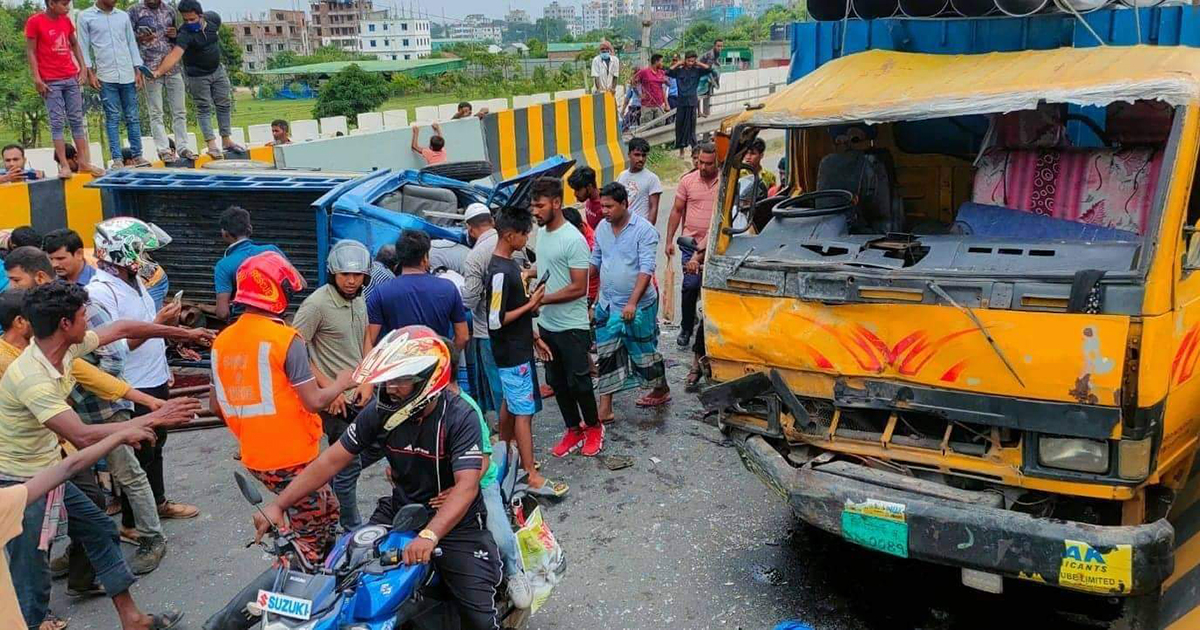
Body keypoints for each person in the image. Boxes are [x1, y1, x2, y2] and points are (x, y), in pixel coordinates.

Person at [246, 326, 501, 629]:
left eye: (400, 380)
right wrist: (280, 503)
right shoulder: (381, 411)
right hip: (399, 511)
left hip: (456, 524)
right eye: (388, 379)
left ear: (429, 379)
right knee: (341, 580)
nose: (390, 387)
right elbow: (331, 460)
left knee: (479, 618)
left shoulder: (460, 416)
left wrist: (430, 535)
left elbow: (467, 486)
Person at [0, 280, 207, 630]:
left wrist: (181, 333)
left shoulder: (61, 350)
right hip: (22, 484)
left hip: (51, 470)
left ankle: (134, 620)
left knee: (99, 529)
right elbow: (80, 436)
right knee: (31, 573)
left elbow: (123, 328)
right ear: (65, 324)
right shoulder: (32, 377)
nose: (89, 323)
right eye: (83, 316)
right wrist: (149, 419)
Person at [211, 251, 350, 564]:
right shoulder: (285, 339)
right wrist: (342, 382)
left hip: (256, 455)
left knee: (329, 510)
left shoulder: (222, 340)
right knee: (309, 537)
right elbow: (314, 401)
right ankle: (291, 594)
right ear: (277, 292)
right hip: (293, 456)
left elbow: (216, 405)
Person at [88, 218, 202, 526]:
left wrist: (167, 340)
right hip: (130, 386)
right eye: (141, 252)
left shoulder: (133, 281)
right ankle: (132, 523)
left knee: (156, 446)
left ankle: (159, 502)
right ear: (122, 252)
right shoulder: (100, 292)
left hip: (153, 377)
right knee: (137, 455)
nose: (147, 259)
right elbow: (115, 346)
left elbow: (144, 329)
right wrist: (158, 324)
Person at [0, 420, 157, 630]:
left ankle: (132, 619)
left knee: (98, 527)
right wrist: (124, 432)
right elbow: (78, 442)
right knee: (31, 560)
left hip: (43, 471)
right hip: (20, 477)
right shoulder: (31, 386)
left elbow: (66, 468)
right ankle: (34, 622)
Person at [292, 240, 372, 531]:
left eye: (357, 275)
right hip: (333, 400)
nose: (351, 281)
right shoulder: (316, 305)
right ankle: (351, 527)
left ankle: (323, 480)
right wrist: (327, 389)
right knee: (348, 466)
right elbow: (293, 350)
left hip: (358, 394)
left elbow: (365, 339)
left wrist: (368, 379)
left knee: (370, 448)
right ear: (332, 274)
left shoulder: (360, 299)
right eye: (344, 275)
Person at [530, 177, 604, 460]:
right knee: (557, 381)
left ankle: (594, 427)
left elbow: (577, 287)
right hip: (548, 324)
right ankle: (573, 428)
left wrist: (541, 299)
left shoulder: (573, 239)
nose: (535, 211)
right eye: (533, 205)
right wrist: (529, 272)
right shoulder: (544, 234)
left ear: (557, 203)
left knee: (579, 383)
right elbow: (548, 266)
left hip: (572, 326)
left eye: (540, 205)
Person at [488, 207, 562, 490]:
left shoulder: (508, 267)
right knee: (524, 411)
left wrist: (532, 336)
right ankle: (530, 472)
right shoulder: (500, 272)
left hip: (517, 347)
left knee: (511, 402)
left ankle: (506, 451)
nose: (527, 238)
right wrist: (531, 305)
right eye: (523, 233)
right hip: (511, 353)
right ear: (509, 235)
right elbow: (496, 320)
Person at [591, 182, 670, 417]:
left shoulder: (644, 231)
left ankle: (661, 388)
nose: (604, 211)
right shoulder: (601, 229)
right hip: (607, 304)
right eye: (602, 206)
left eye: (609, 206)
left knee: (643, 354)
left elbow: (646, 269)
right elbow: (595, 262)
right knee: (606, 354)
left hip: (638, 306)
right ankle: (605, 408)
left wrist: (632, 303)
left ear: (624, 204)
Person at [149, 0, 246, 160]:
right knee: (204, 108)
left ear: (201, 15)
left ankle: (226, 140)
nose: (189, 23)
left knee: (223, 104)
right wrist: (158, 71)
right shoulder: (185, 34)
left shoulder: (214, 19)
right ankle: (212, 144)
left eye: (192, 19)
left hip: (217, 70)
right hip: (197, 76)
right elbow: (174, 55)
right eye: (185, 20)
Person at [25, 0, 102, 179]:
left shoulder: (65, 20)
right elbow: (31, 51)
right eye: (64, 4)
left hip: (70, 76)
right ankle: (65, 165)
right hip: (51, 80)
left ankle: (83, 161)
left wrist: (82, 67)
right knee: (57, 122)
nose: (67, 7)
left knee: (76, 119)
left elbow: (74, 44)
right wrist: (37, 78)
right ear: (51, 3)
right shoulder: (35, 22)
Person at [364, 230, 468, 357]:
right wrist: (447, 359)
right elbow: (463, 336)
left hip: (398, 367)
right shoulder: (448, 288)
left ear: (400, 257)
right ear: (425, 258)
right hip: (436, 364)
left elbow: (369, 340)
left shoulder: (381, 292)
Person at [78, 0, 148, 169]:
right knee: (113, 117)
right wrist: (89, 72)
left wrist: (137, 69)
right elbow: (82, 46)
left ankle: (138, 155)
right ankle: (117, 158)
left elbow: (131, 43)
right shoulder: (85, 16)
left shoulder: (123, 16)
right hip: (105, 74)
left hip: (127, 73)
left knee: (132, 116)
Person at [665, 142, 719, 350]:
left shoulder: (725, 182)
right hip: (690, 243)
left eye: (709, 164)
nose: (703, 167)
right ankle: (686, 327)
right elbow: (676, 211)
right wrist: (669, 240)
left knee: (711, 288)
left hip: (716, 244)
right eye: (701, 163)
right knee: (690, 286)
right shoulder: (687, 181)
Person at [129, 0, 192, 162]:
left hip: (173, 67)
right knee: (156, 112)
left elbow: (179, 39)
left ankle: (183, 146)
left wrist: (174, 34)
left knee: (179, 110)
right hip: (149, 68)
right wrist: (141, 37)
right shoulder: (134, 11)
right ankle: (163, 149)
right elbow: (128, 39)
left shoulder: (170, 10)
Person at [459, 203, 505, 416]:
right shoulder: (510, 242)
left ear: (470, 228)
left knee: (496, 382)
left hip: (487, 330)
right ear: (492, 221)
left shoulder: (475, 256)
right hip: (516, 325)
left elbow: (470, 300)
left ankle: (506, 431)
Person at [211, 206, 284, 320]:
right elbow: (301, 284)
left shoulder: (223, 265)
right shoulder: (272, 250)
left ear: (225, 233)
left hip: (244, 324)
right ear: (250, 228)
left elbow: (222, 313)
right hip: (277, 320)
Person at [667, 51, 715, 157]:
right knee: (680, 127)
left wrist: (698, 63)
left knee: (691, 127)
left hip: (692, 103)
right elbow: (668, 72)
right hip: (681, 103)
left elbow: (709, 69)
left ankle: (694, 150)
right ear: (685, 60)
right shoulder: (679, 71)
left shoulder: (697, 71)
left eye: (692, 61)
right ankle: (681, 151)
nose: (690, 63)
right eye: (688, 61)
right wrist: (678, 63)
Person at [616, 137, 664, 224]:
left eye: (644, 155)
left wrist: (648, 231)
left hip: (640, 229)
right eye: (637, 155)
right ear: (629, 154)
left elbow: (653, 208)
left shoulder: (652, 179)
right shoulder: (621, 176)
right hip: (623, 228)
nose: (641, 159)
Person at [634, 54, 669, 127]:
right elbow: (633, 82)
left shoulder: (661, 73)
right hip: (647, 105)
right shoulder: (644, 72)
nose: (662, 64)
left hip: (659, 104)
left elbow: (664, 88)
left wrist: (666, 104)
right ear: (656, 62)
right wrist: (639, 95)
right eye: (661, 62)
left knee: (661, 125)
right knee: (646, 126)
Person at [567, 165, 604, 231]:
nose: (575, 194)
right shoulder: (589, 200)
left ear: (589, 187)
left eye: (578, 190)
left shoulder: (604, 207)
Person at [698, 39, 723, 117]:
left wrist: (718, 64)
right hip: (700, 70)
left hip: (706, 69)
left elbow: (714, 61)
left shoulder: (718, 53)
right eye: (718, 46)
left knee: (716, 73)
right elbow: (708, 68)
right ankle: (699, 112)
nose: (719, 48)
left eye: (721, 46)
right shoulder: (711, 54)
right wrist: (712, 79)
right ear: (714, 46)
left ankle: (711, 87)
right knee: (698, 92)